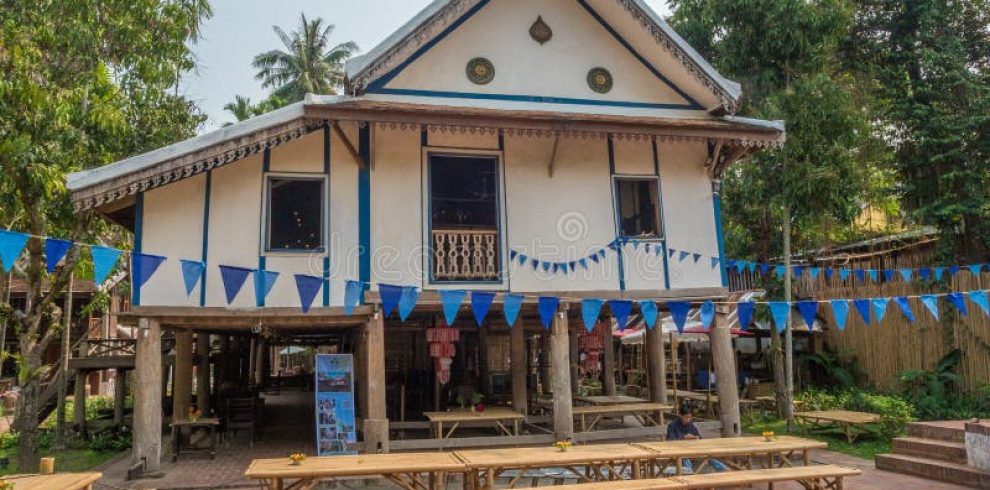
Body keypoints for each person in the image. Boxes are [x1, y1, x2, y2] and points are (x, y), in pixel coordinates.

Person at [664, 404, 725, 474]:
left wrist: (696, 437)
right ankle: (674, 471)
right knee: (687, 465)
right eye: (686, 417)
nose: (688, 419)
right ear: (680, 416)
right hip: (679, 451)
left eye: (690, 417)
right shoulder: (672, 425)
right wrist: (684, 438)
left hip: (693, 449)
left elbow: (699, 437)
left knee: (711, 457)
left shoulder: (690, 424)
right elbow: (670, 441)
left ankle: (722, 471)